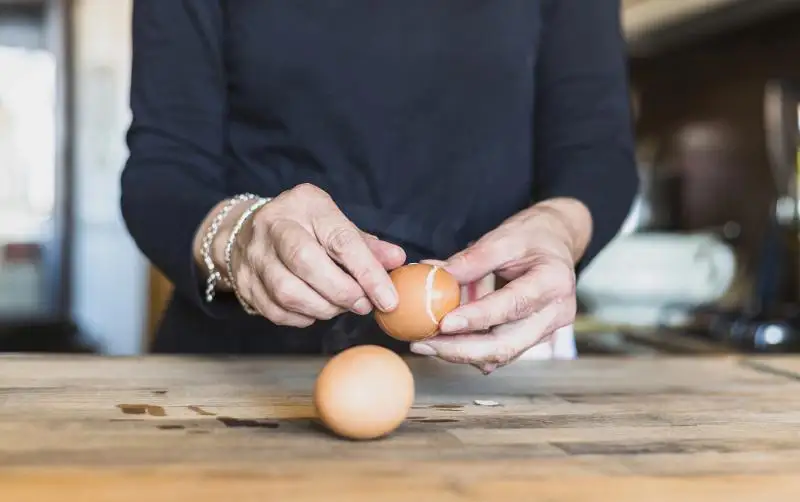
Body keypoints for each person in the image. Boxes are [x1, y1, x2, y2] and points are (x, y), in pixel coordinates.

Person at [121, 0, 638, 372]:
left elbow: (596, 153)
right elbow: (163, 169)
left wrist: (558, 228)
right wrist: (239, 236)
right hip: (242, 370)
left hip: (491, 366)